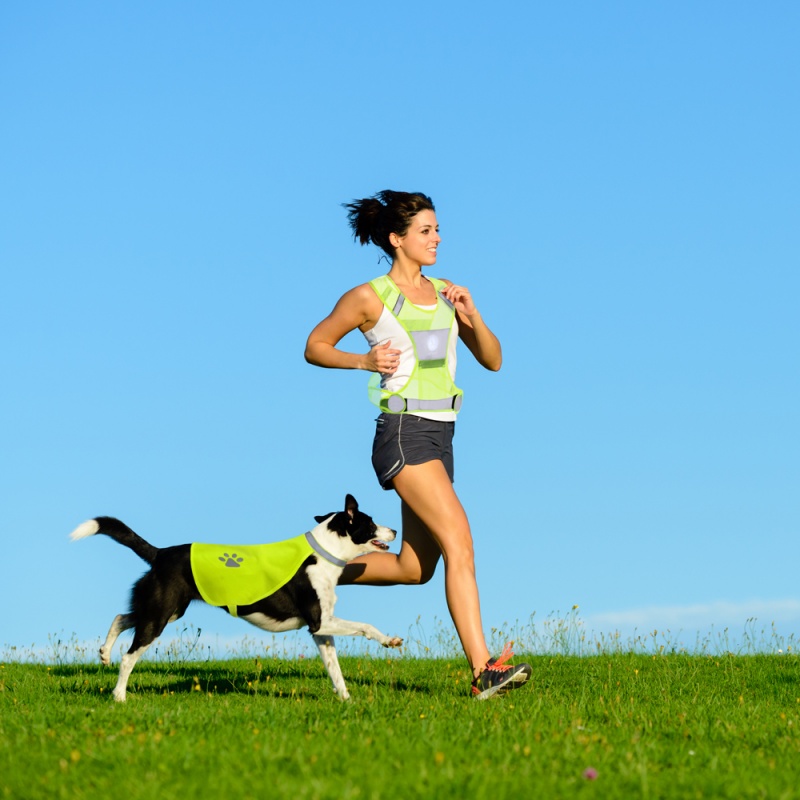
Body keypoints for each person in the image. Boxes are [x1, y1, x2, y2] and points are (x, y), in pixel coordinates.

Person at [304, 190, 531, 699]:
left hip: (442, 435)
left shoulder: (449, 292)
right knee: (460, 543)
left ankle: (315, 574)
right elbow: (315, 345)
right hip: (404, 436)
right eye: (426, 231)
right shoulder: (370, 297)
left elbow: (492, 360)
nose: (437, 238)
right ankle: (483, 671)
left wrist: (473, 313)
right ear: (396, 239)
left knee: (415, 568)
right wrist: (363, 362)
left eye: (436, 230)